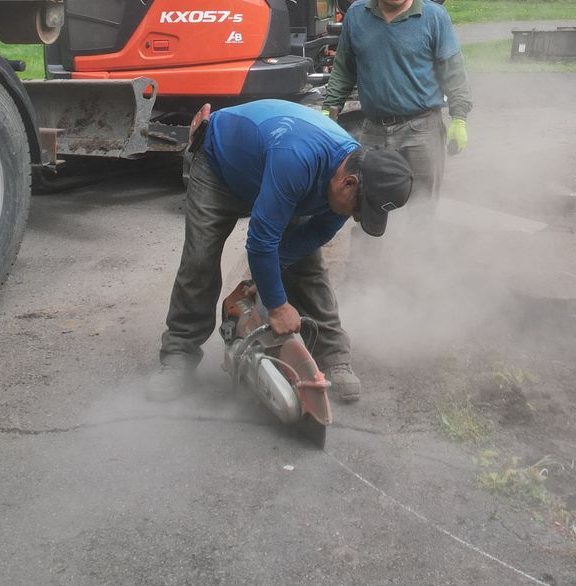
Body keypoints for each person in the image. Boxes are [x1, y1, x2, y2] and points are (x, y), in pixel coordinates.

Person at [148, 99, 413, 405]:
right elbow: (261, 241)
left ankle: (333, 355)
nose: (354, 217)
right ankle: (179, 354)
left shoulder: (355, 173)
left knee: (308, 267)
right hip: (219, 166)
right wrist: (277, 306)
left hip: (273, 173)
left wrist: (264, 282)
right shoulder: (298, 159)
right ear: (348, 183)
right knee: (200, 260)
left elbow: (316, 233)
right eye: (358, 209)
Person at [321, 0, 471, 208]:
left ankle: (418, 250)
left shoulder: (434, 17)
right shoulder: (357, 15)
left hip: (422, 131)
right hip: (373, 131)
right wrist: (329, 110)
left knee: (422, 205)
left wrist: (459, 118)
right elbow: (344, 68)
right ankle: (372, 250)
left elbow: (453, 71)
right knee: (369, 201)